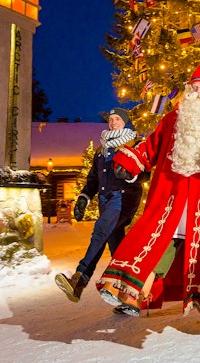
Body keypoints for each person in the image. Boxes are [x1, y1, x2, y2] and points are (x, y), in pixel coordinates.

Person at [96, 65, 200, 330]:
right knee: (158, 240)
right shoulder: (173, 118)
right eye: (193, 86)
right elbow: (151, 146)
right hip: (174, 195)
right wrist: (133, 161)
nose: (198, 90)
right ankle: (131, 294)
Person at [55, 107, 146, 305]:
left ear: (125, 121)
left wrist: (131, 176)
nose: (113, 122)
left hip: (124, 198)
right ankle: (128, 296)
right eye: (111, 119)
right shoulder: (101, 149)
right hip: (106, 202)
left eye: (117, 119)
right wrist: (84, 197)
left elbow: (145, 171)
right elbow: (93, 179)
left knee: (100, 231)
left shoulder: (135, 144)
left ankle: (79, 279)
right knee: (117, 246)